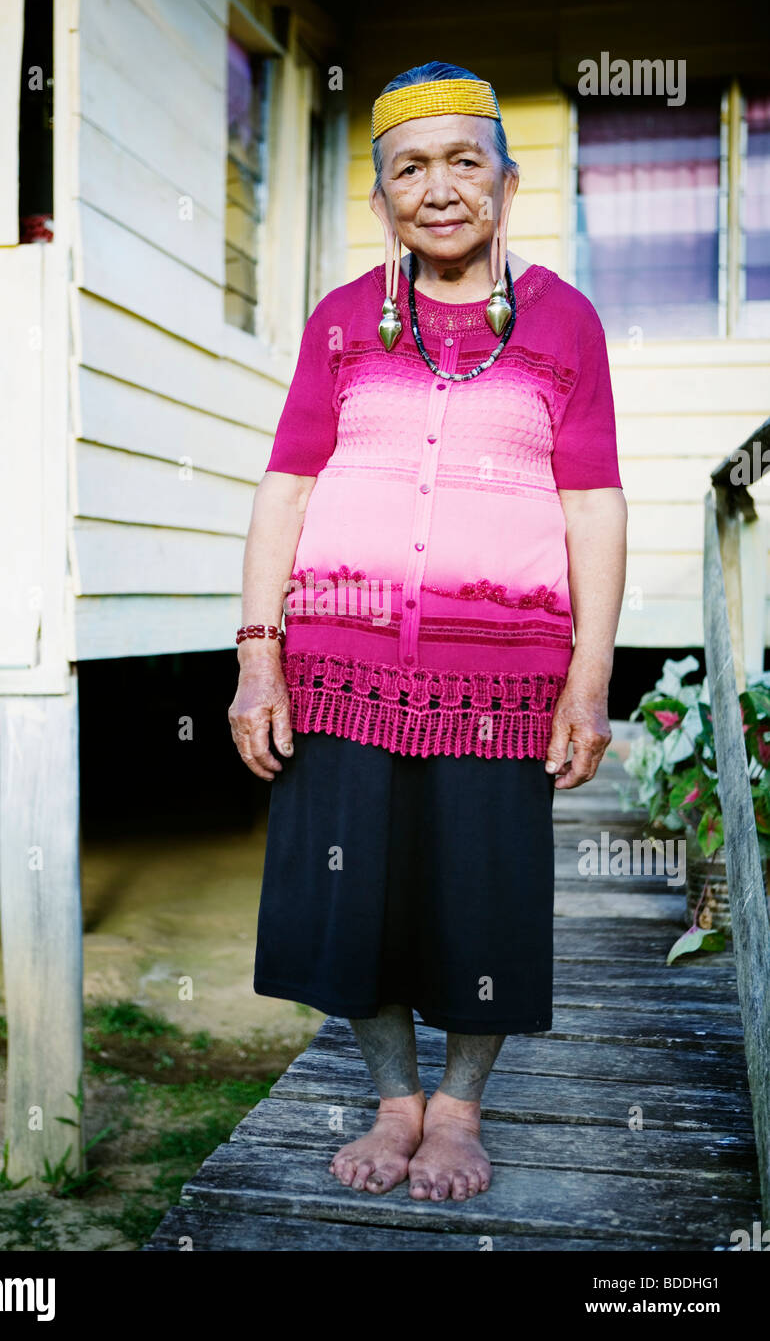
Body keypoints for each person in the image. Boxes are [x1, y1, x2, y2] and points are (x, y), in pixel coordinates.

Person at [228, 61, 627, 1203]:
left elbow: (590, 503)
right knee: (354, 895)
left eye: (464, 161)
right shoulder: (346, 321)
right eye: (408, 166)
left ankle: (457, 1109)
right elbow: (286, 487)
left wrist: (586, 679)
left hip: (499, 677)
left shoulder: (563, 321)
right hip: (338, 666)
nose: (438, 187)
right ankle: (392, 1094)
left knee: (479, 895)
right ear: (379, 197)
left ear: (506, 180)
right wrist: (259, 656)